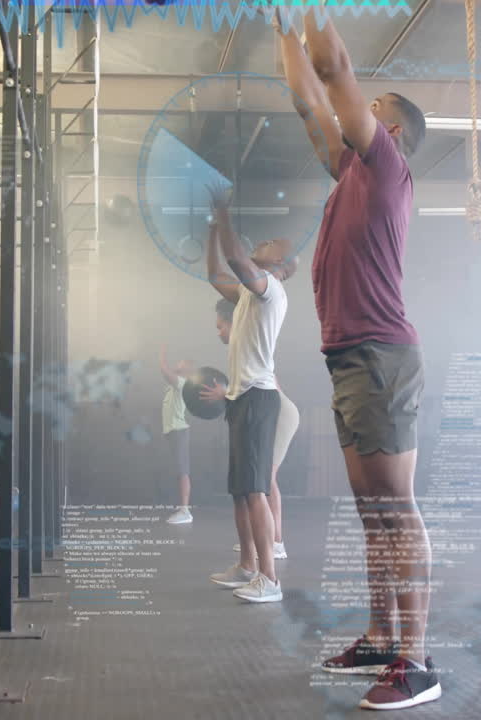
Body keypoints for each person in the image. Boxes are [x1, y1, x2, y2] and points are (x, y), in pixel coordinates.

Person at [274, 7, 440, 710]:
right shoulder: (348, 172)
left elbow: (335, 70)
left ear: (391, 132)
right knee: (372, 512)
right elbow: (308, 95)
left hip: (380, 356)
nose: (360, 110)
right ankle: (379, 636)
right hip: (349, 357)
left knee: (395, 510)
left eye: (374, 110)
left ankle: (417, 660)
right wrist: (283, 23)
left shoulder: (387, 167)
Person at [198, 183, 296, 604]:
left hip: (259, 399)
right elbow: (215, 274)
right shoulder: (245, 296)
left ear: (280, 265)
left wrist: (223, 212)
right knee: (241, 490)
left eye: (272, 243)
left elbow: (237, 259)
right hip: (240, 400)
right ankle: (247, 567)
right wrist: (210, 229)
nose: (264, 241)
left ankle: (270, 581)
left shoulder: (271, 290)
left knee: (256, 490)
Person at [215, 298, 297, 560]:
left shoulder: (249, 344)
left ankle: (276, 542)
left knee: (265, 479)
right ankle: (262, 541)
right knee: (260, 481)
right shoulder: (240, 350)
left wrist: (224, 393)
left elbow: (266, 386)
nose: (219, 333)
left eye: (220, 327)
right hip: (272, 411)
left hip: (281, 414)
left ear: (233, 322)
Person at [158, 347, 194, 524]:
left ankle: (185, 511)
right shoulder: (176, 383)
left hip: (179, 431)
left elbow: (165, 371)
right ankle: (183, 507)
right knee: (179, 471)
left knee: (183, 471)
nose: (178, 363)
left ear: (187, 369)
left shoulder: (183, 382)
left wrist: (162, 353)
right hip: (173, 432)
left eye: (182, 362)